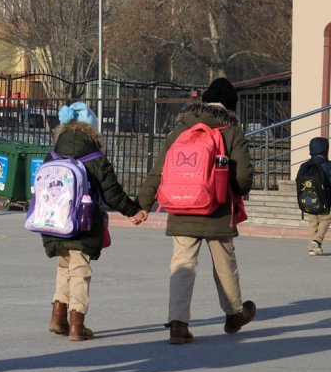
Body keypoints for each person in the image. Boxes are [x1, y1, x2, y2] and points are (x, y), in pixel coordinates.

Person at [131, 77, 256, 345]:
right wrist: (228, 186)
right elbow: (244, 179)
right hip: (218, 209)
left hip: (181, 205)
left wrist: (142, 205)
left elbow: (158, 172)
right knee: (224, 263)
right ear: (231, 107)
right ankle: (234, 314)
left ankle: (178, 324)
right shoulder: (231, 132)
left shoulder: (180, 131)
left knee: (182, 264)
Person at [41, 101, 140, 341]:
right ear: (92, 130)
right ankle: (77, 324)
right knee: (80, 270)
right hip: (83, 224)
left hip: (54, 222)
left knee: (64, 266)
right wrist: (133, 210)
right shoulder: (95, 158)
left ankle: (57, 316)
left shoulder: (52, 154)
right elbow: (113, 194)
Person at [299, 137, 331, 256]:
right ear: (325, 149)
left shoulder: (305, 166)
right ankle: (316, 241)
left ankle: (313, 248)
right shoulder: (327, 165)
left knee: (313, 221)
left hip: (308, 199)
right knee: (325, 219)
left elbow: (298, 181)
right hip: (323, 199)